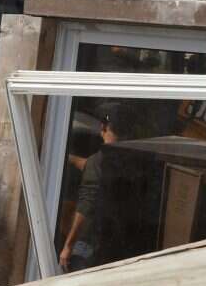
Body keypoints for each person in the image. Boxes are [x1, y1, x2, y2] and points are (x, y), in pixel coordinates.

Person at [61, 108, 155, 270]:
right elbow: (96, 170)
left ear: (103, 128)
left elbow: (86, 204)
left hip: (91, 241)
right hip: (119, 242)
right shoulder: (130, 159)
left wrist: (68, 245)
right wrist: (70, 159)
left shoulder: (100, 161)